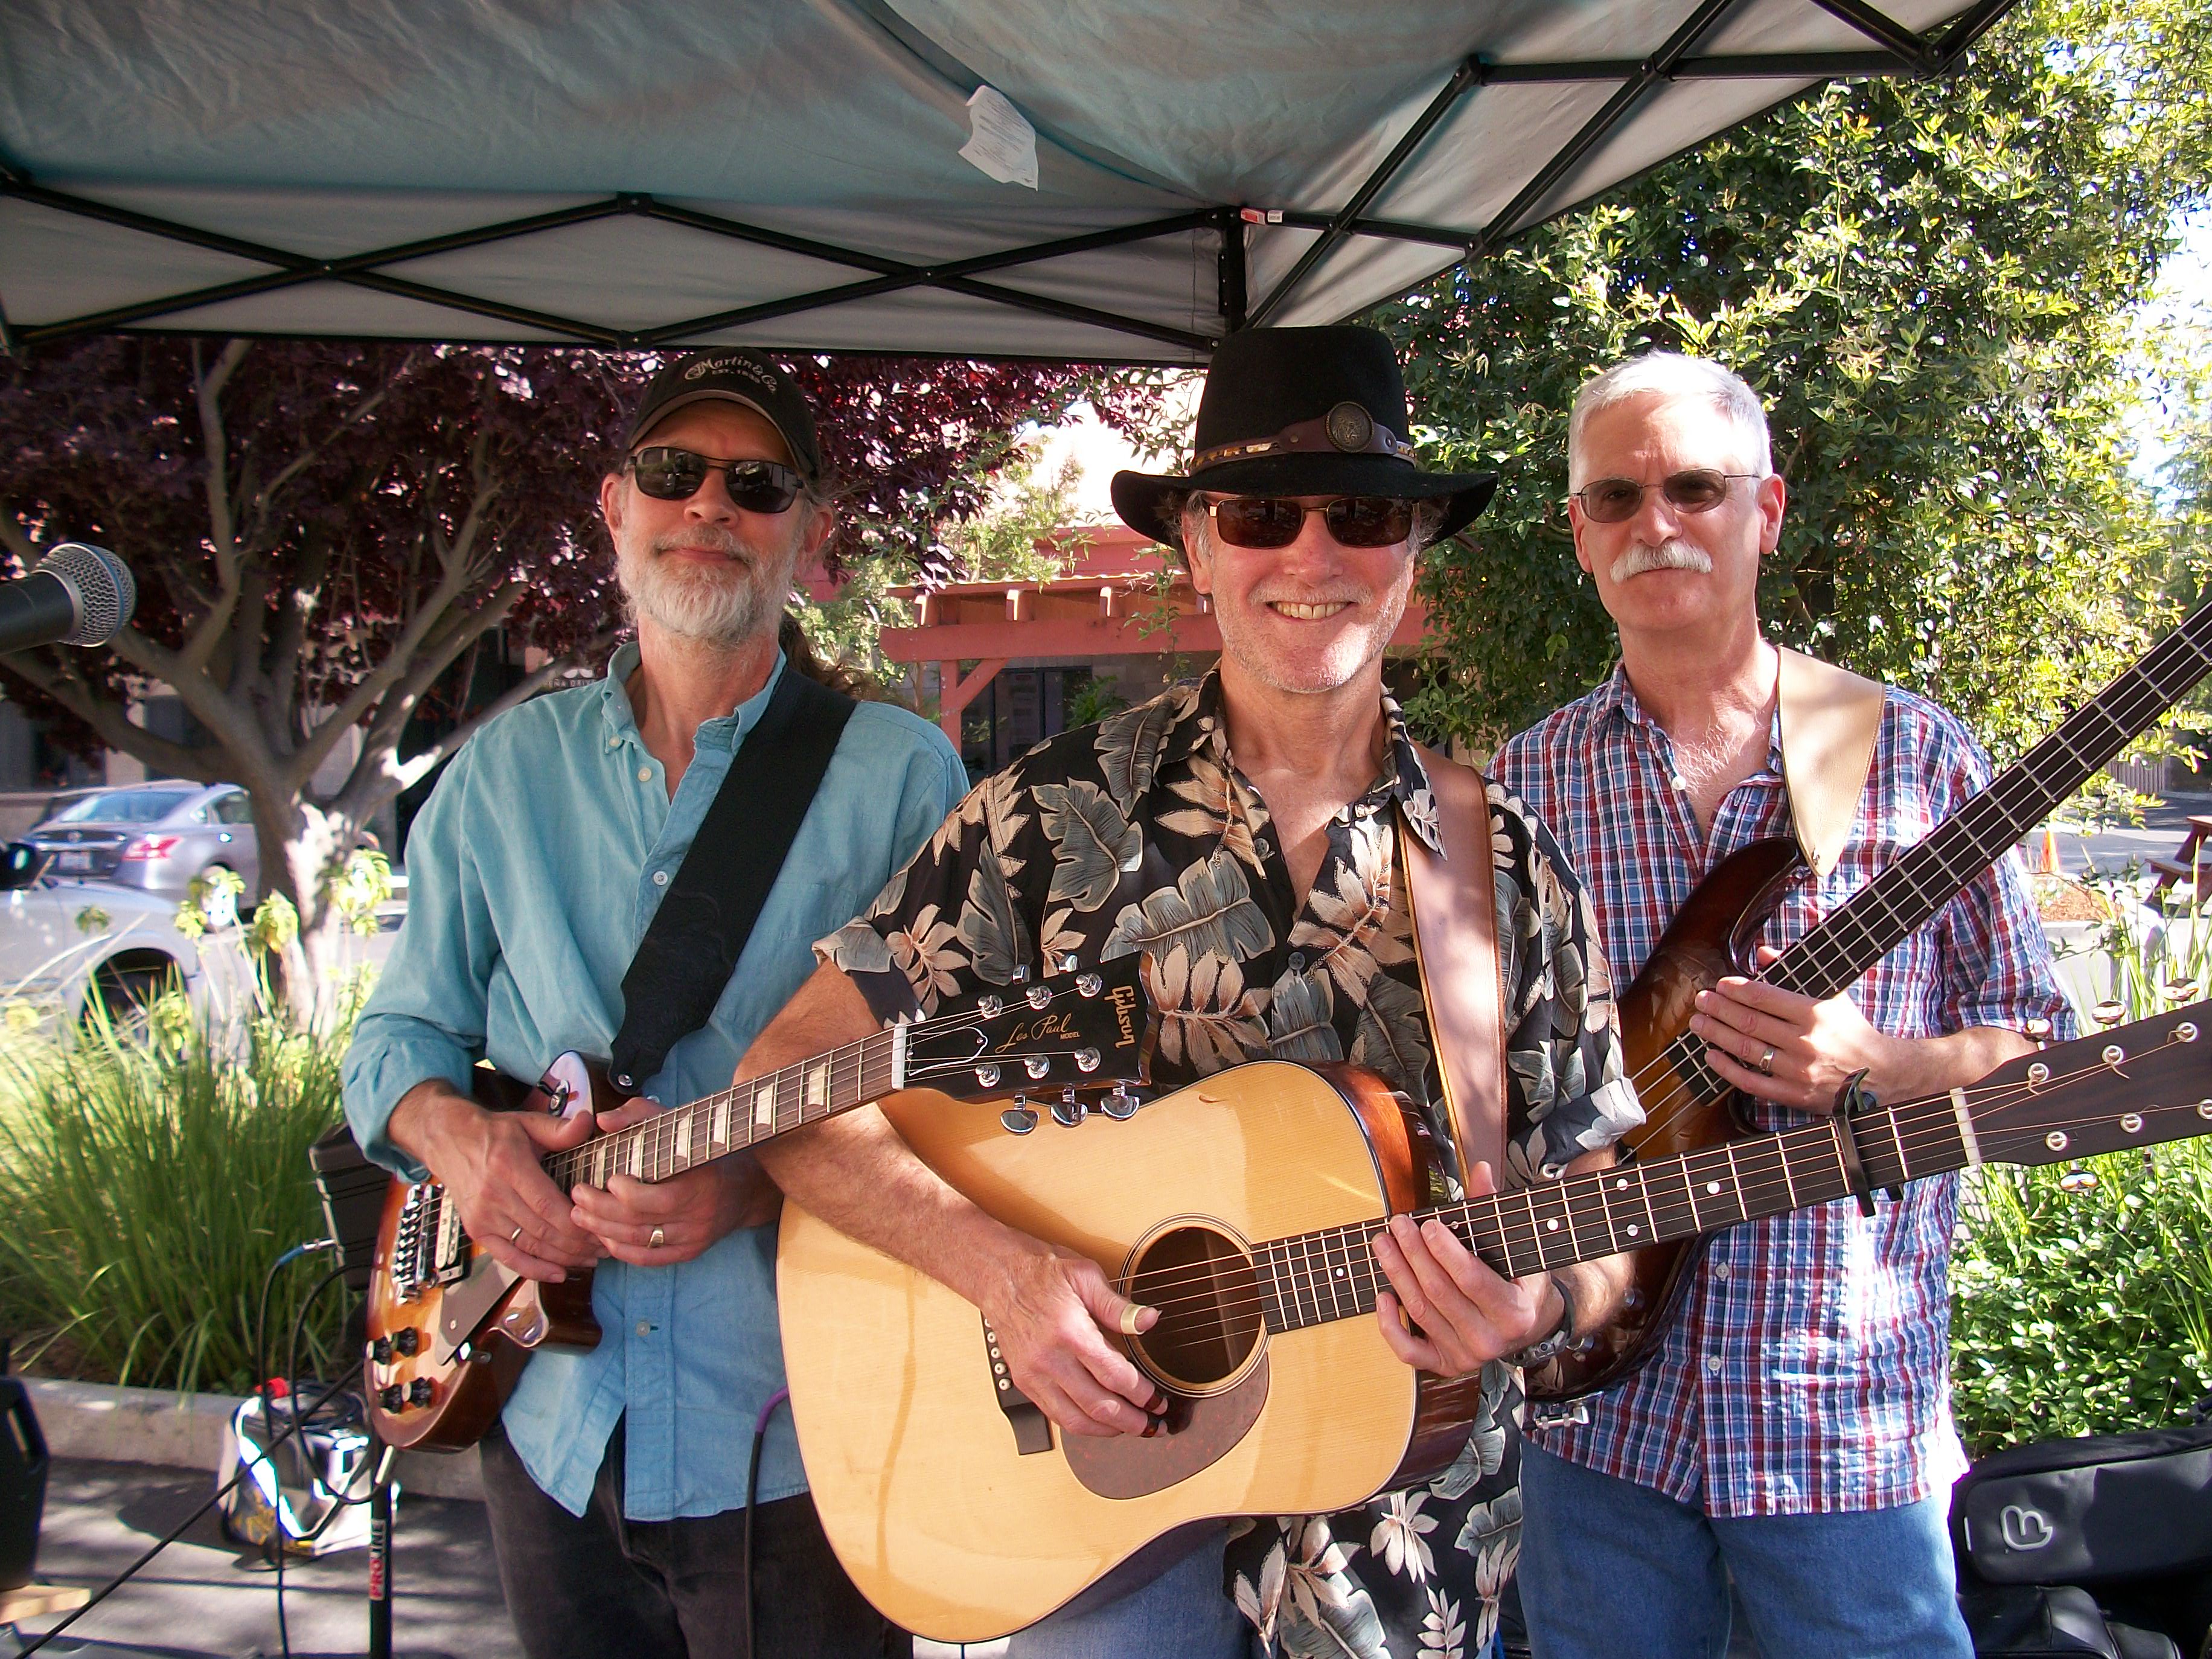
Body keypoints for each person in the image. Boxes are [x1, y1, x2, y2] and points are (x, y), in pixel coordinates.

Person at [742, 325, 1643, 1658]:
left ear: (1410, 550)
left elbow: (1601, 1203)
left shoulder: (1502, 863)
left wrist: (1542, 1303)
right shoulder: (1045, 819)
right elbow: (783, 1082)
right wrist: (998, 1272)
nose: (1312, 556)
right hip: (1096, 1542)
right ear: (1197, 546)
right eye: (1261, 515)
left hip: (1404, 1563)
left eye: (1361, 516)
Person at [340, 348, 966, 1659]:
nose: (710, 506)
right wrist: (464, 1143)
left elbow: (953, 1095)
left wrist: (757, 1187)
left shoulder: (905, 779)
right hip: (545, 1419)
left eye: (758, 484)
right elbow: (398, 1035)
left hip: (797, 1435)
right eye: (675, 473)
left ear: (812, 534)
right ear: (615, 506)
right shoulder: (504, 772)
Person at [1491, 351, 2077, 1658]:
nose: (1654, 523)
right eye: (1615, 496)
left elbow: (2043, 1049)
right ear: (1579, 534)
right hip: (1599, 1424)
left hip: (1839, 1418)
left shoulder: (1911, 754)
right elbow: (1487, 1072)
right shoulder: (1525, 783)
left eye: (1694, 488)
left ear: (1765, 512)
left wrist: (1887, 1066)